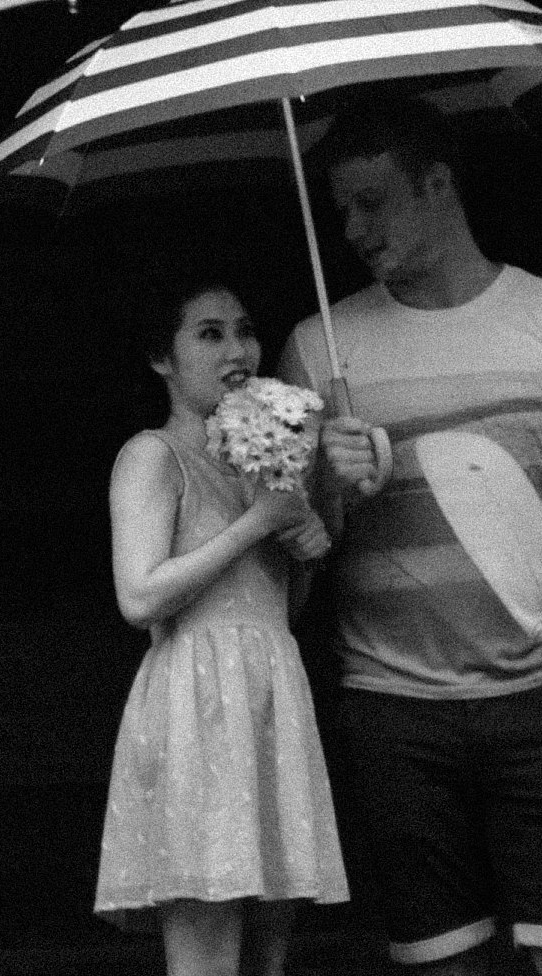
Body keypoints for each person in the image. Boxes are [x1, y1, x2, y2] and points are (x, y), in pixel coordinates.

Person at [285, 98, 542, 976]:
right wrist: (325, 486)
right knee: (440, 967)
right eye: (339, 208)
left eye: (372, 202)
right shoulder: (317, 347)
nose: (350, 228)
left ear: (439, 184)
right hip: (391, 708)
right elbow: (298, 563)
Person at [95, 274, 347, 976]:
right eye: (209, 333)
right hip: (198, 706)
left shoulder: (260, 461)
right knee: (206, 959)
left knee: (267, 956)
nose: (238, 348)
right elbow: (139, 597)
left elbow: (276, 610)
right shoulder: (153, 456)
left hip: (269, 699)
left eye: (244, 330)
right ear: (162, 358)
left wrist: (305, 540)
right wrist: (259, 523)